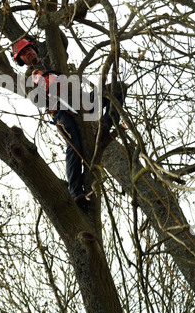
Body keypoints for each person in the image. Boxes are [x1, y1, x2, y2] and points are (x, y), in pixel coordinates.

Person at [11, 38, 126, 209]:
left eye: (29, 49)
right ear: (21, 61)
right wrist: (45, 84)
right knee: (74, 146)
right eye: (24, 54)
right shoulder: (30, 75)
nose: (29, 53)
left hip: (82, 100)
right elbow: (37, 98)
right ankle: (75, 191)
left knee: (118, 87)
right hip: (61, 111)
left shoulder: (51, 59)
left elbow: (62, 42)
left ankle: (107, 122)